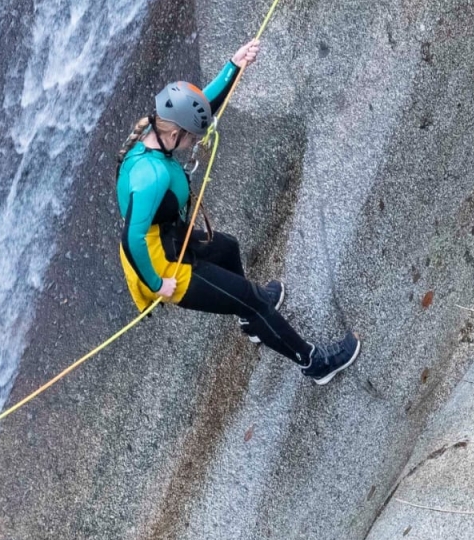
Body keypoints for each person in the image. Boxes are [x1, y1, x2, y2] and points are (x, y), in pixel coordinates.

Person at [116, 39, 360, 384]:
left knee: (227, 248)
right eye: (192, 138)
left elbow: (199, 108)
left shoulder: (154, 133)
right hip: (163, 265)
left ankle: (250, 319)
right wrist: (158, 284)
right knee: (254, 300)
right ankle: (314, 363)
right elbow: (132, 239)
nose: (196, 141)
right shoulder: (151, 177)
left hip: (170, 237)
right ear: (176, 134)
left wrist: (234, 66)